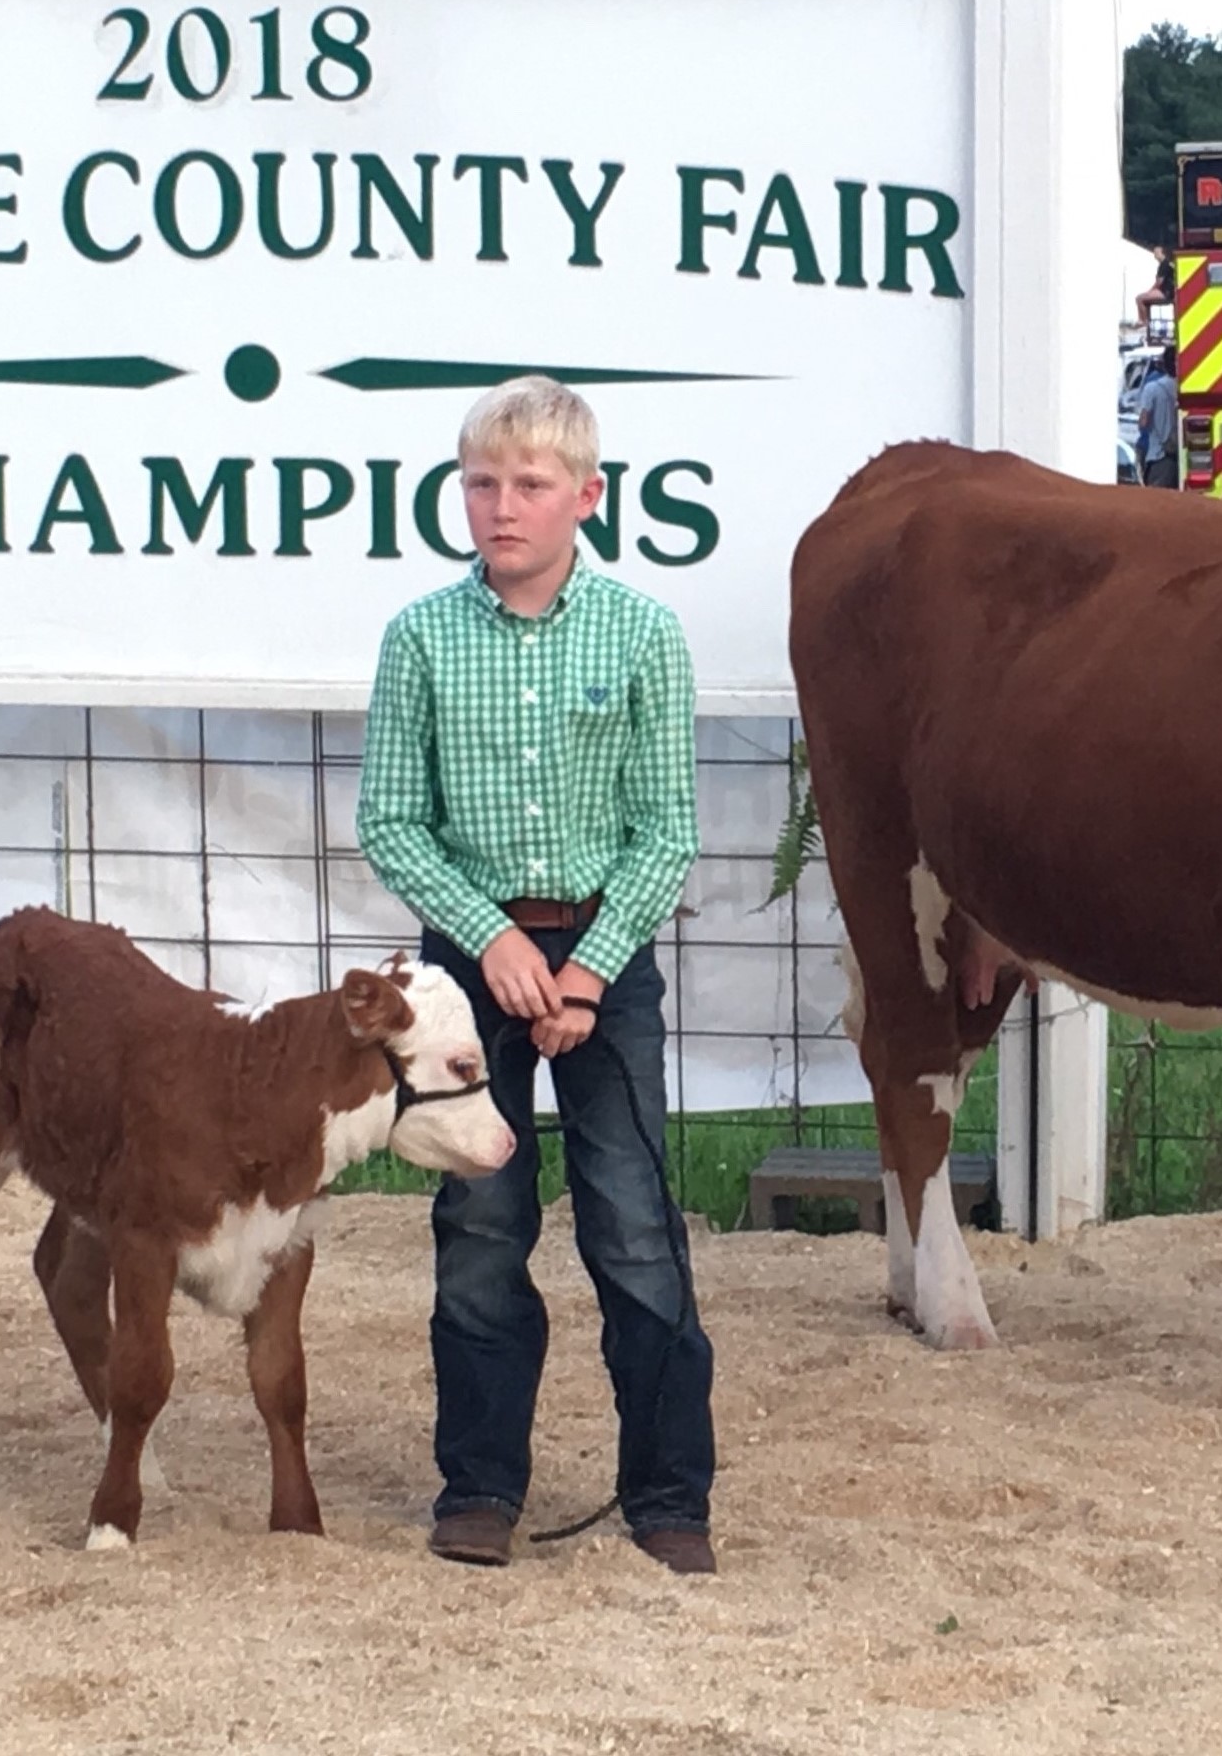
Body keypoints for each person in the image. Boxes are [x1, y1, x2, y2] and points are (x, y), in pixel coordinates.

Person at [357, 375, 717, 1572]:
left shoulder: (641, 636)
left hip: (605, 962)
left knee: (632, 1226)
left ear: (586, 497)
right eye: (480, 484)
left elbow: (665, 827)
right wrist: (496, 943)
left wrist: (589, 971)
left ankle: (668, 1498)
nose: (501, 508)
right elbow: (392, 821)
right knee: (477, 1220)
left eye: (529, 486)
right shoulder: (420, 639)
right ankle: (479, 1489)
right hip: (472, 964)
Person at [1135, 348, 1181, 491]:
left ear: (1164, 364)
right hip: (1179, 457)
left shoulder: (1152, 388)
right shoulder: (1183, 387)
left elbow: (1143, 422)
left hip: (1158, 456)